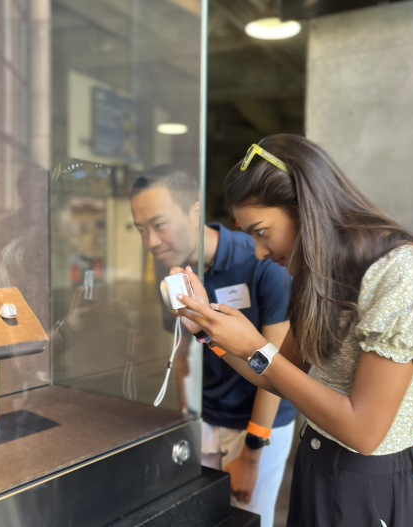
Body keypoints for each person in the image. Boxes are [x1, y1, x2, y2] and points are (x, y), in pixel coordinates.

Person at [171, 135, 413, 527]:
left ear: (305, 207)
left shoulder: (403, 271)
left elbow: (363, 432)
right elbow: (278, 378)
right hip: (315, 467)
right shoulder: (322, 277)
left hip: (370, 488)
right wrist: (207, 330)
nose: (258, 250)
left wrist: (257, 346)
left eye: (261, 230)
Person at [130, 165, 297, 527]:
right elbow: (183, 354)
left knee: (248, 520)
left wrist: (252, 453)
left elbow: (278, 366)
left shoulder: (262, 261)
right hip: (206, 417)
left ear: (194, 211)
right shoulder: (173, 272)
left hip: (258, 423)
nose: (151, 242)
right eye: (141, 230)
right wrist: (185, 423)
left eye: (159, 224)